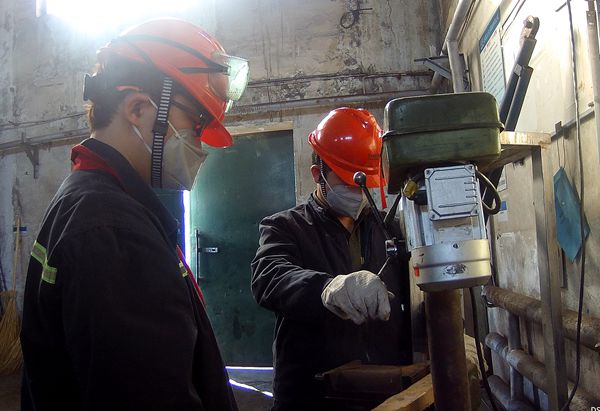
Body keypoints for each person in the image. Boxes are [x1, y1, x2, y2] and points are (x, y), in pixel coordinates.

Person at [20, 18, 248, 410]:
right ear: (138, 109)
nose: (198, 146)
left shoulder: (88, 199)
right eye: (194, 126)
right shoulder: (111, 229)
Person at [251, 108, 412, 411]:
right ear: (318, 175)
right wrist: (327, 288)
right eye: (347, 181)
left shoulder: (388, 229)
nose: (356, 192)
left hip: (383, 391)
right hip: (311, 395)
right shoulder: (285, 226)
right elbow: (268, 277)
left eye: (363, 182)